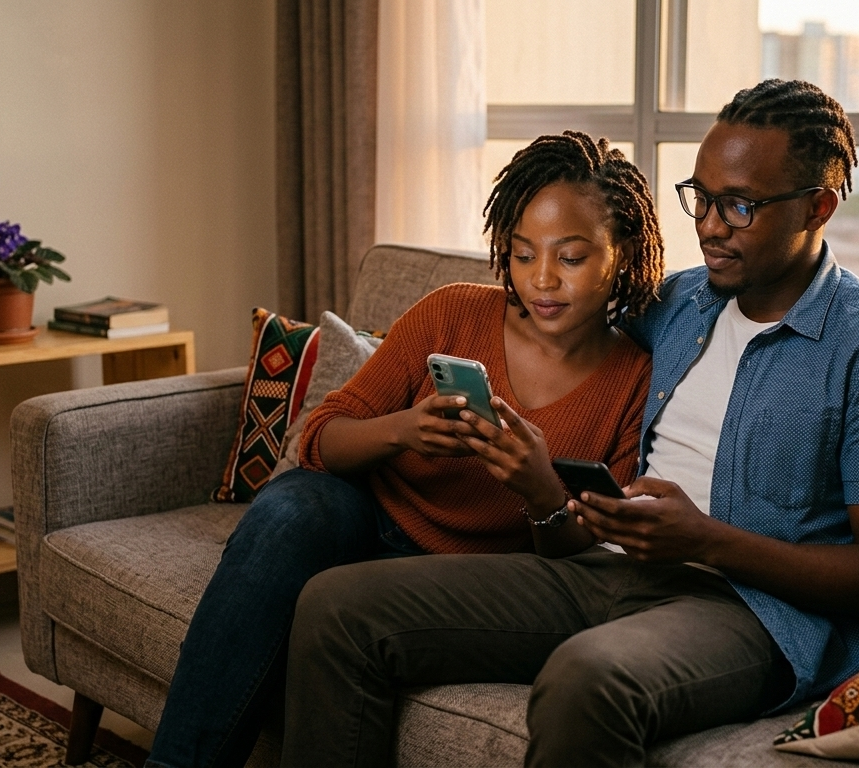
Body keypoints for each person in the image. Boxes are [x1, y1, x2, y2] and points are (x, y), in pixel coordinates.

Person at [280, 78, 859, 767]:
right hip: (604, 570)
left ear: (818, 206)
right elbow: (562, 296)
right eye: (702, 198)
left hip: (751, 611)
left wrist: (708, 541)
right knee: (338, 607)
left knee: (589, 677)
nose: (711, 227)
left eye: (740, 206)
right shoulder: (680, 302)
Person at [145, 131, 664, 768]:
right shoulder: (452, 312)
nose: (542, 280)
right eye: (523, 254)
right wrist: (405, 430)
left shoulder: (637, 379)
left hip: (473, 580)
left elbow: (577, 553)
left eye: (572, 258)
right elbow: (322, 436)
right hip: (369, 521)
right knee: (289, 512)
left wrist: (541, 493)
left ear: (624, 253)